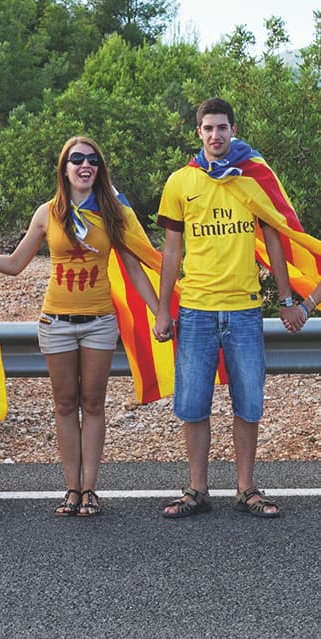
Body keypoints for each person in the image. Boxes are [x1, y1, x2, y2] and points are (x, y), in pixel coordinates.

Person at [0, 137, 162, 517]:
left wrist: (159, 313)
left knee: (93, 403)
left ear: (99, 169)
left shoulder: (113, 213)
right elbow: (16, 263)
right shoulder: (47, 213)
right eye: (76, 159)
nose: (84, 165)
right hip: (56, 323)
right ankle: (71, 488)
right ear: (64, 168)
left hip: (100, 322)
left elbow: (134, 267)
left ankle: (91, 489)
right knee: (65, 404)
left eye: (92, 160)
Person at [154, 98, 298, 519]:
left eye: (222, 128)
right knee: (193, 403)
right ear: (198, 132)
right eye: (208, 128)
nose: (215, 135)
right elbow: (171, 250)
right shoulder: (181, 182)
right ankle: (197, 489)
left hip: (244, 309)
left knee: (248, 402)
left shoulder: (251, 177)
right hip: (196, 308)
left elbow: (274, 238)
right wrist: (164, 310)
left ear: (233, 129)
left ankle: (246, 488)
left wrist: (287, 300)